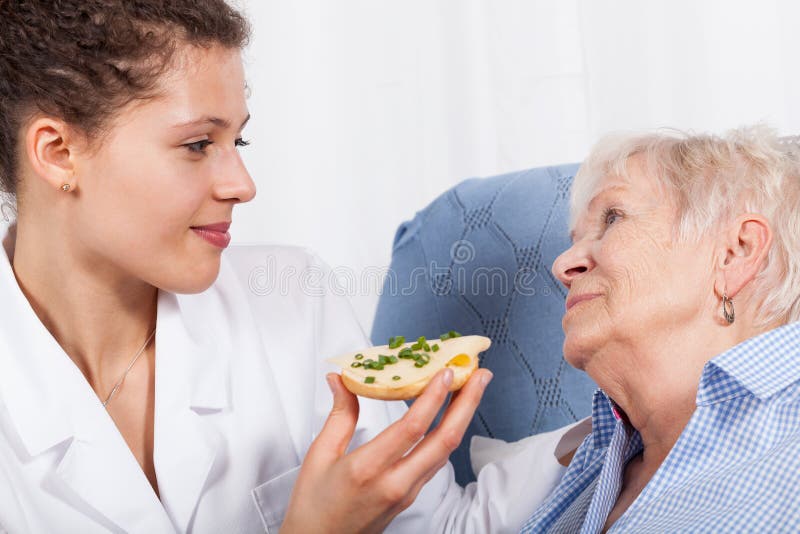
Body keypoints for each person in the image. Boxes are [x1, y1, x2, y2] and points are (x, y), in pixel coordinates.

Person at [0, 1, 580, 532]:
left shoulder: (293, 300)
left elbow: (439, 527)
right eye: (198, 144)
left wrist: (634, 425)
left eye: (239, 144)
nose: (242, 185)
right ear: (58, 152)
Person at [517, 126, 800, 532]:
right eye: (575, 239)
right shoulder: (589, 469)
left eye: (612, 217)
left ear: (736, 252)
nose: (562, 266)